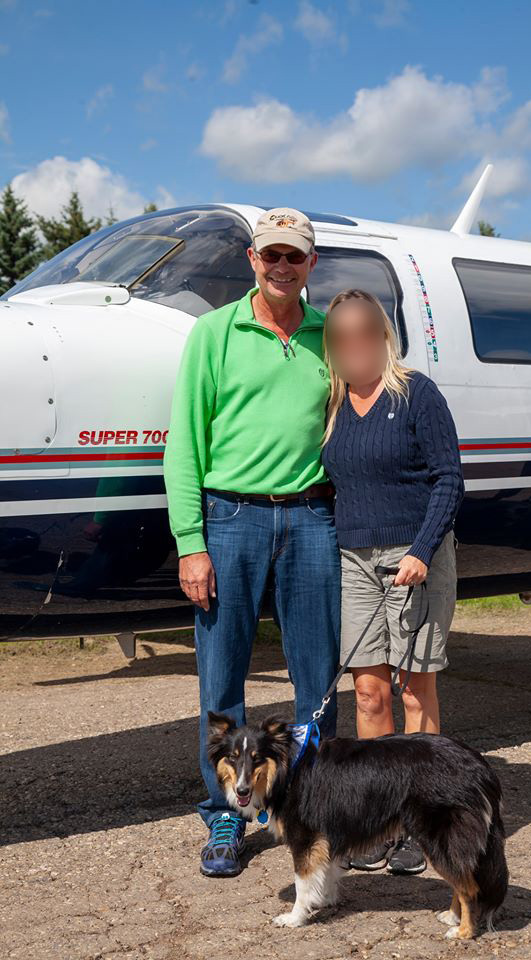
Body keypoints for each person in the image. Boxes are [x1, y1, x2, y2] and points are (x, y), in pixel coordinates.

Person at [163, 208, 341, 878]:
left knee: (317, 681)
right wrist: (191, 542)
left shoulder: (332, 335)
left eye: (294, 256)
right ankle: (225, 816)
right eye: (271, 255)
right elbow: (185, 443)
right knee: (222, 680)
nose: (282, 267)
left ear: (310, 264)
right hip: (230, 520)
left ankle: (314, 808)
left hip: (314, 521)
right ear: (252, 259)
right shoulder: (213, 334)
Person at [321, 288, 464, 874]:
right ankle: (378, 815)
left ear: (383, 336)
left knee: (413, 690)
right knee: (369, 691)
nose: (355, 347)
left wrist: (424, 550)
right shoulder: (332, 404)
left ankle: (419, 817)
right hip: (354, 559)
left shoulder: (415, 395)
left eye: (365, 334)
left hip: (414, 558)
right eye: (342, 338)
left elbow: (449, 479)